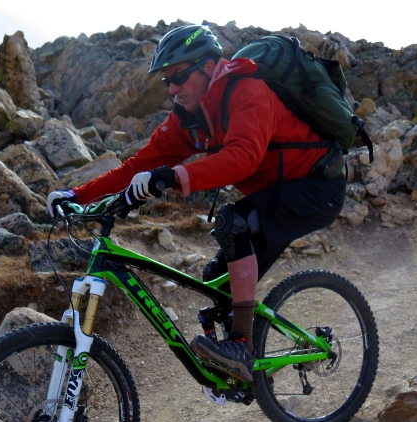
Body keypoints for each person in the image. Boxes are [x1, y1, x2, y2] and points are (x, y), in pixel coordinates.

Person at [48, 24, 345, 383]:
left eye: (179, 77)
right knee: (216, 278)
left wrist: (174, 176)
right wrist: (77, 196)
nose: (172, 89)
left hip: (317, 186)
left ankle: (242, 346)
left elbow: (243, 157)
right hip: (275, 192)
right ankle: (236, 376)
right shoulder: (188, 119)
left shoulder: (249, 90)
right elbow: (136, 166)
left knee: (234, 222)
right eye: (166, 82)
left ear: (208, 67)